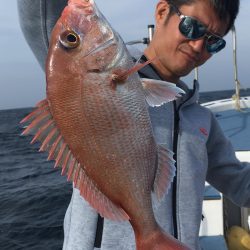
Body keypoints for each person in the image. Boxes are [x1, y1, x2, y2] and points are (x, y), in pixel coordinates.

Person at [17, 0, 250, 249]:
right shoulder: (76, 74)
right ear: (162, 12)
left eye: (214, 41)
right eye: (192, 27)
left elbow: (238, 183)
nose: (198, 45)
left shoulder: (201, 120)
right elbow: (37, 10)